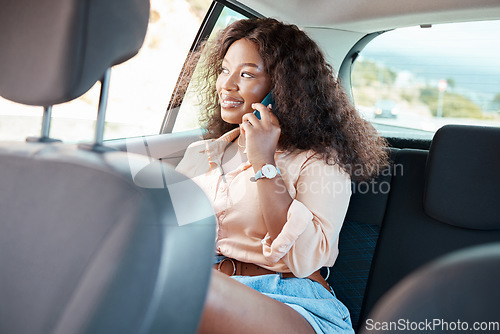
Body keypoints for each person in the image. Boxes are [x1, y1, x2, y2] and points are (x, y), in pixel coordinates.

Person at [175, 17, 388, 334]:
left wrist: (264, 162)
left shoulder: (320, 161)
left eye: (246, 74)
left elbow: (304, 259)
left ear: (283, 88)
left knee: (193, 301)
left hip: (291, 301)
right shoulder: (204, 153)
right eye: (223, 70)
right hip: (208, 286)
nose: (227, 84)